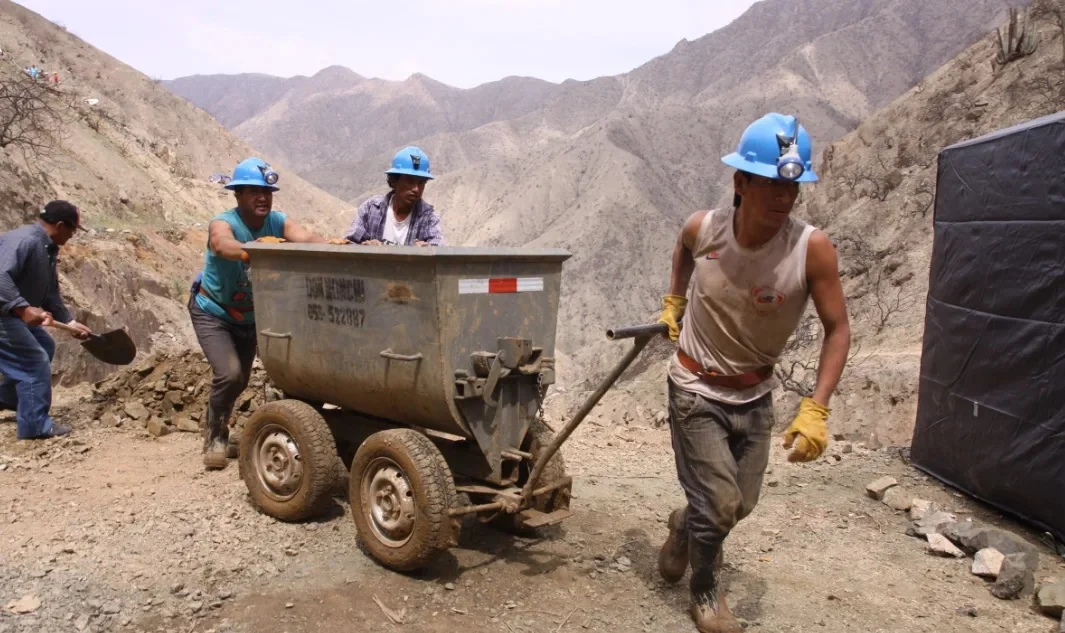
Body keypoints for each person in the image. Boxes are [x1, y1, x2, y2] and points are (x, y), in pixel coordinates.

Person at [654, 113, 851, 632]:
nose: (785, 197)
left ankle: (685, 525)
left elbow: (838, 329)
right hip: (695, 389)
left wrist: (816, 408)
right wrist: (674, 300)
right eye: (771, 184)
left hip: (755, 394)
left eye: (793, 186)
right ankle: (705, 593)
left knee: (740, 504)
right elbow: (683, 249)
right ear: (740, 182)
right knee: (719, 505)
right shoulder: (704, 228)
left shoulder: (811, 249)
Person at [190, 157, 329, 470]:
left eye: (266, 192)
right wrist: (255, 251)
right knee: (229, 374)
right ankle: (215, 436)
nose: (262, 197)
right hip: (214, 312)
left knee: (241, 379)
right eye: (254, 191)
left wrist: (335, 247)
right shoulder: (224, 222)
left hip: (251, 316)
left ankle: (224, 427)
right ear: (238, 194)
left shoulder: (278, 222)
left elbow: (306, 238)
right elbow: (222, 244)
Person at [0, 201, 93, 440]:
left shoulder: (47, 248)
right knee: (33, 362)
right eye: (72, 229)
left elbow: (50, 293)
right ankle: (35, 426)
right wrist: (22, 308)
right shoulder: (25, 241)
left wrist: (69, 323)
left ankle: (8, 398)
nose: (72, 235)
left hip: (10, 313)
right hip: (4, 314)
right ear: (60, 225)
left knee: (45, 345)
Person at [342, 146, 444, 246]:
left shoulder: (429, 217)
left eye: (421, 182)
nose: (416, 189)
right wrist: (365, 248)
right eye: (410, 181)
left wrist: (426, 251)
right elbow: (348, 244)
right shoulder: (371, 209)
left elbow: (439, 249)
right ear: (394, 181)